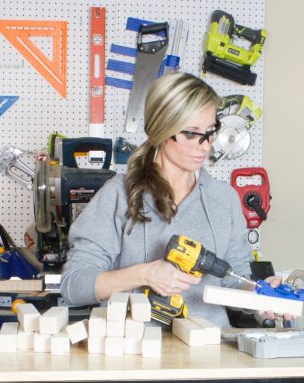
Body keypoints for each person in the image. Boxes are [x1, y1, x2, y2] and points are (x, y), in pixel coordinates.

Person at [60, 71, 254, 327]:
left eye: (210, 131)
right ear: (162, 131)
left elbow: (234, 280)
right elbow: (74, 285)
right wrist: (145, 274)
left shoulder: (224, 198)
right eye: (191, 134)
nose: (206, 145)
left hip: (209, 346)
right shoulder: (120, 194)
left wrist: (261, 298)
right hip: (135, 347)